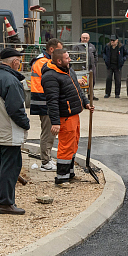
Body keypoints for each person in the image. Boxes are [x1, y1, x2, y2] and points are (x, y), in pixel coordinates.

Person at [0, 48, 30, 215]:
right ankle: (6, 203)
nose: (21, 64)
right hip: (9, 132)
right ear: (15, 62)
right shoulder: (11, 80)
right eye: (20, 60)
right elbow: (16, 109)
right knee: (10, 167)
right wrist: (26, 124)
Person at [42, 48, 93, 185]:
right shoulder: (51, 77)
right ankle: (61, 178)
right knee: (65, 147)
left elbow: (77, 90)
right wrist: (55, 122)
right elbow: (52, 101)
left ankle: (70, 173)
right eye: (67, 58)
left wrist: (86, 103)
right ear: (59, 61)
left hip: (74, 115)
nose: (69, 59)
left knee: (73, 144)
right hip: (65, 117)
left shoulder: (69, 71)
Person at [29, 38, 62, 171]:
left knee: (50, 132)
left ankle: (47, 158)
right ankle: (45, 162)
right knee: (48, 132)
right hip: (44, 101)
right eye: (59, 50)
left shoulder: (44, 60)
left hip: (45, 100)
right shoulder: (43, 62)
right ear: (52, 49)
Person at [73, 32, 98, 100]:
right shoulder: (77, 46)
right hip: (82, 67)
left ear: (89, 38)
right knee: (83, 82)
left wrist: (95, 63)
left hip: (92, 67)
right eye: (84, 38)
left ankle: (91, 95)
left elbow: (95, 55)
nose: (85, 39)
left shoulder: (92, 46)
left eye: (86, 38)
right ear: (81, 38)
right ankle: (82, 96)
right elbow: (74, 56)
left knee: (92, 81)